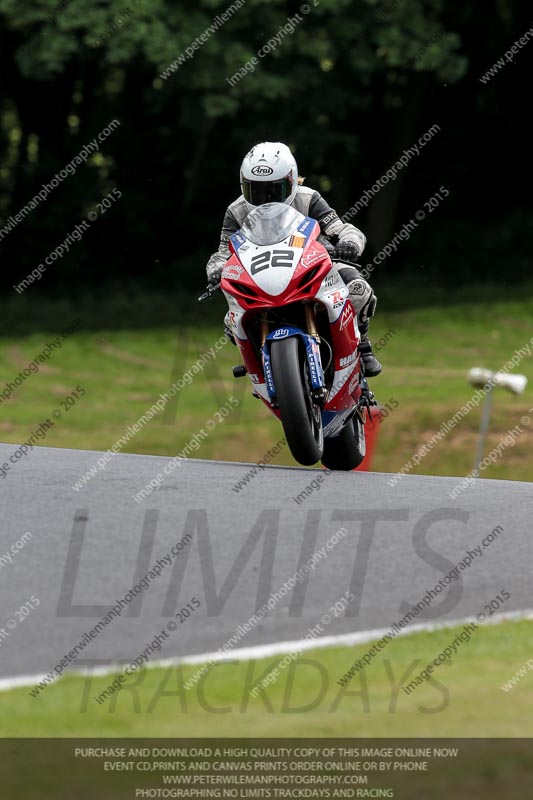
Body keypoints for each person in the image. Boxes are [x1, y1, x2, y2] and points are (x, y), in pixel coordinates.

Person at [206, 142, 382, 376]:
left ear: (291, 181)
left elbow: (340, 228)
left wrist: (349, 244)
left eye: (273, 190)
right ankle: (257, 366)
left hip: (310, 266)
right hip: (259, 274)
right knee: (231, 320)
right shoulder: (236, 210)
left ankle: (362, 344)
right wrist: (216, 270)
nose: (265, 198)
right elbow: (223, 251)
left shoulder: (309, 198)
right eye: (256, 191)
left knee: (357, 287)